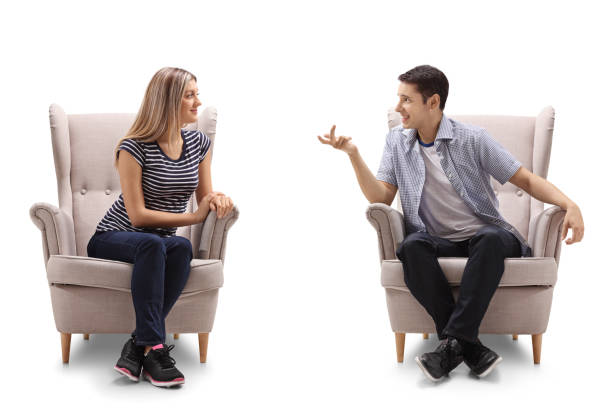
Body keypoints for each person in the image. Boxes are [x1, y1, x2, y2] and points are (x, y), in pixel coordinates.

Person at [318, 65, 584, 382]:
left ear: (433, 102)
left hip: (488, 238)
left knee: (488, 238)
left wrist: (570, 204)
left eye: (406, 100)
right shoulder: (396, 143)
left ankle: (450, 345)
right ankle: (465, 345)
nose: (398, 107)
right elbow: (381, 196)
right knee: (411, 246)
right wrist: (353, 155)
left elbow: (524, 179)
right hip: (437, 240)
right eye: (398, 98)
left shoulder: (472, 139)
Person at [87, 67, 234, 387]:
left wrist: (218, 198)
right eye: (190, 95)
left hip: (158, 242)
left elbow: (204, 195)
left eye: (197, 93)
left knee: (180, 246)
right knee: (154, 244)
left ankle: (139, 345)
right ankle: (156, 348)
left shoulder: (199, 143)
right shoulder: (133, 147)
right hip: (112, 237)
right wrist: (193, 218)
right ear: (169, 101)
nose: (198, 101)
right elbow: (138, 217)